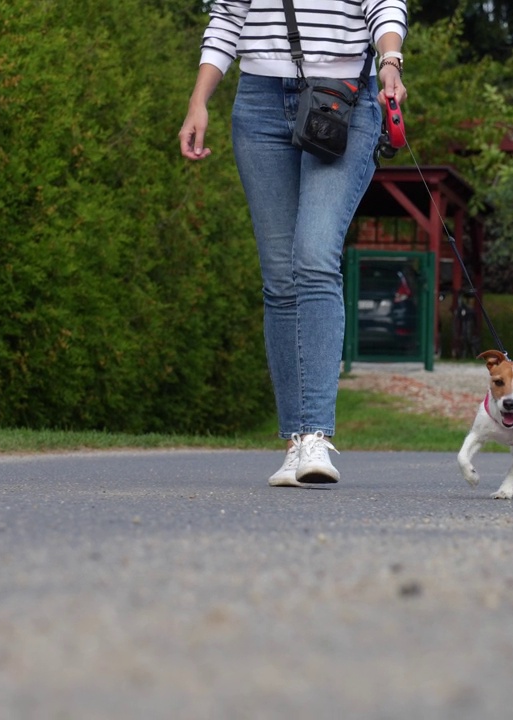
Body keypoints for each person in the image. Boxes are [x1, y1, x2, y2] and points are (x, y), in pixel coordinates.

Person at [179, 0, 408, 487]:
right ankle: (294, 442)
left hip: (343, 94)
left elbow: (385, 4)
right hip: (258, 101)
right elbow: (227, 17)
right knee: (280, 277)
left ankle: (317, 437)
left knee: (315, 257)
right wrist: (199, 100)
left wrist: (390, 61)